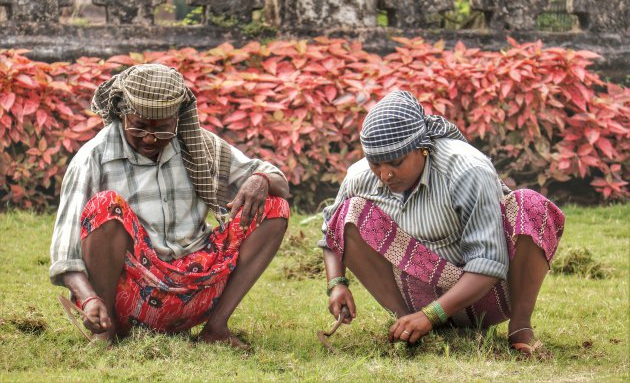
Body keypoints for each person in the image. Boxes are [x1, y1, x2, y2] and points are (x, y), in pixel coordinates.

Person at [50, 63, 290, 348]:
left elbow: (280, 183)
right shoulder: (93, 157)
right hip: (131, 296)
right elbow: (65, 253)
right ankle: (106, 332)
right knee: (106, 206)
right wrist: (88, 298)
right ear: (121, 113)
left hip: (199, 288)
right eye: (138, 126)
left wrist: (260, 178)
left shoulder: (200, 146)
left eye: (162, 129)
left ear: (176, 119)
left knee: (275, 207)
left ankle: (216, 329)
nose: (150, 138)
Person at [319, 90, 564, 356]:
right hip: (416, 291)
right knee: (349, 211)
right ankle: (406, 325)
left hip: (488, 294)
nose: (385, 174)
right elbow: (331, 233)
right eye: (375, 163)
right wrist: (337, 284)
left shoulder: (466, 169)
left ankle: (520, 328)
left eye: (396, 162)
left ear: (422, 147)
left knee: (530, 204)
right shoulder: (361, 177)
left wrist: (432, 314)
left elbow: (489, 261)